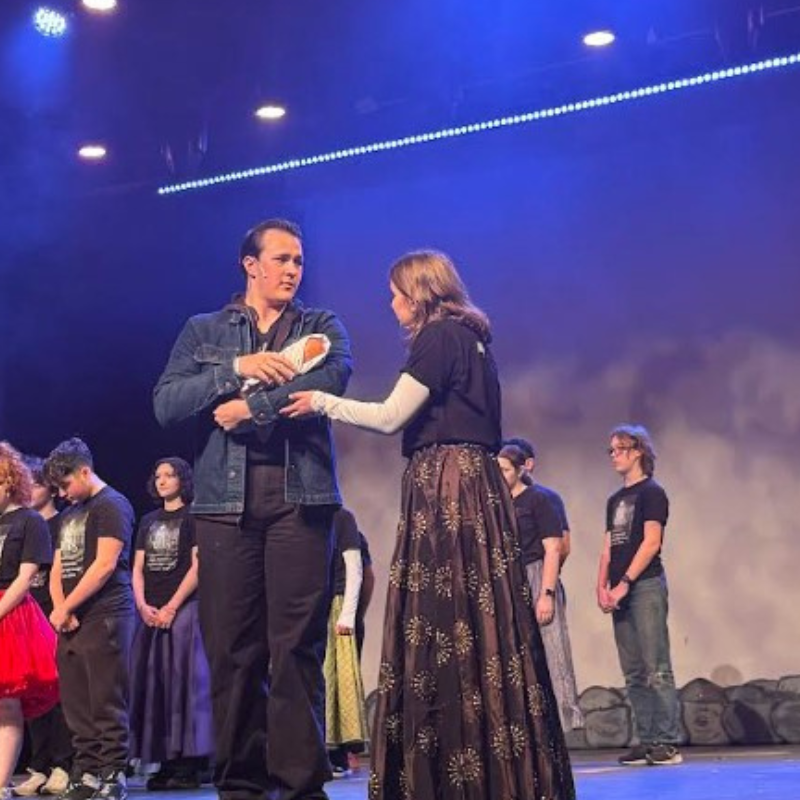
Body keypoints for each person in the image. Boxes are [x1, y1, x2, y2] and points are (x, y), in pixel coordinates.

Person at [284, 250, 575, 800]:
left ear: (418, 292)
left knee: (447, 618)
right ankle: (494, 770)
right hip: (473, 483)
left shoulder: (440, 336)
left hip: (449, 487)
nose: (390, 303)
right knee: (479, 623)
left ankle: (451, 773)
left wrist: (322, 401)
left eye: (395, 292)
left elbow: (391, 415)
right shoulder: (473, 339)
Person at [153, 218, 352, 800]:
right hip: (222, 509)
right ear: (250, 264)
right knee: (233, 654)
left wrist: (253, 408)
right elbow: (166, 404)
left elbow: (335, 374)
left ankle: (301, 788)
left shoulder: (318, 326)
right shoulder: (204, 330)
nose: (294, 270)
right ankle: (240, 787)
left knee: (296, 651)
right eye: (283, 259)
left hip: (300, 503)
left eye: (299, 261)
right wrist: (233, 370)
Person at [44, 438, 135, 800]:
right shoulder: (69, 515)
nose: (63, 494)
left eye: (66, 484)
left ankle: (113, 773)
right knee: (77, 700)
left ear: (85, 471)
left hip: (106, 614)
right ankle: (88, 772)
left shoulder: (112, 505)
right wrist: (59, 609)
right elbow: (56, 568)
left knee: (105, 697)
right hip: (69, 619)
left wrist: (68, 608)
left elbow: (105, 565)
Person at [597, 424, 681, 766]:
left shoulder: (652, 492)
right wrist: (601, 585)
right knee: (632, 670)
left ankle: (666, 742)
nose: (613, 455)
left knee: (656, 667)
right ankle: (647, 740)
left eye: (618, 449)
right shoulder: (614, 499)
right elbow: (607, 547)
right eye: (611, 450)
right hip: (620, 590)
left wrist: (626, 582)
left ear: (638, 452)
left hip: (644, 585)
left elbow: (651, 542)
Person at [129, 458, 212, 790]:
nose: (162, 480)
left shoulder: (193, 516)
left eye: (170, 475)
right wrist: (142, 605)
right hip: (150, 612)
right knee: (154, 686)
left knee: (184, 685)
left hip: (184, 609)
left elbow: (198, 566)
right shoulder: (148, 521)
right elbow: (137, 568)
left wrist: (172, 606)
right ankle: (163, 760)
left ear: (183, 479)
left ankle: (189, 763)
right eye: (158, 475)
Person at [497, 444, 583, 732]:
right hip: (509, 580)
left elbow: (554, 548)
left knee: (553, 648)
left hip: (537, 574)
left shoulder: (538, 499)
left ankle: (565, 721)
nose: (500, 475)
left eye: (506, 469)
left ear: (521, 469)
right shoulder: (496, 505)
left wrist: (546, 593)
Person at [0, 443, 59, 800]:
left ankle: (1, 781)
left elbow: (26, 577)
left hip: (12, 613)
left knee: (7, 704)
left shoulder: (29, 521)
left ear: (8, 482)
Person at [12, 458, 72, 798]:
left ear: (50, 488)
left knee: (59, 692)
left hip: (54, 613)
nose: (29, 492)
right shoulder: (20, 524)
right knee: (29, 694)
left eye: (36, 484)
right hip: (24, 614)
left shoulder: (61, 523)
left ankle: (63, 764)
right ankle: (39, 765)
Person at [324, 508, 368, 779]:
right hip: (309, 602)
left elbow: (355, 566)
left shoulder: (342, 517)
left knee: (337, 681)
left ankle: (337, 752)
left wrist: (349, 614)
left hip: (335, 604)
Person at [502, 437, 572, 564]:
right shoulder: (497, 501)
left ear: (528, 464)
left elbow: (563, 546)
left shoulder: (547, 497)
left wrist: (545, 574)